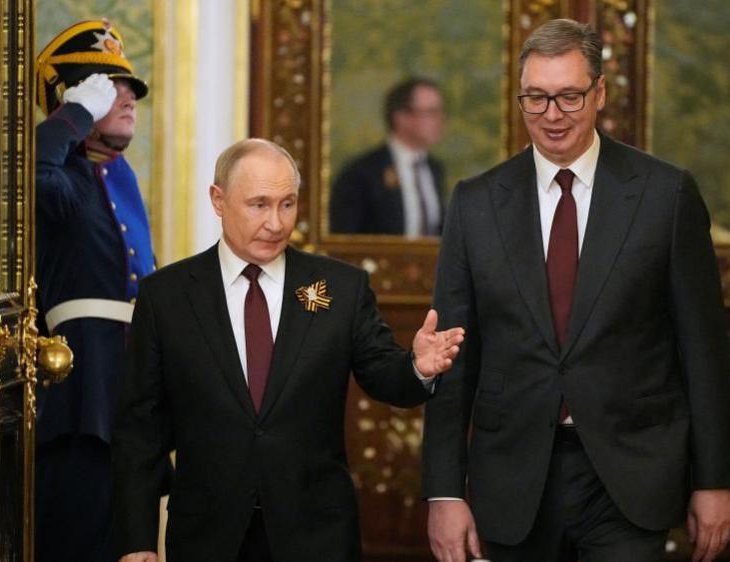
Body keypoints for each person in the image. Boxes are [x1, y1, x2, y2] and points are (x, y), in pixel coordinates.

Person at [422, 18, 730, 562]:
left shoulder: (665, 195)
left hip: (631, 475)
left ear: (600, 93)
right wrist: (445, 490)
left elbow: (703, 349)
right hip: (512, 476)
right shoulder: (475, 204)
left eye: (569, 97)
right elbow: (452, 356)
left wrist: (716, 479)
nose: (552, 115)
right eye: (537, 98)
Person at [112, 139, 465, 562]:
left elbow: (383, 373)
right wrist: (137, 542)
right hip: (208, 535)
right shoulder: (166, 296)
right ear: (218, 200)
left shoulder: (341, 288)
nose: (276, 223)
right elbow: (140, 429)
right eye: (259, 205)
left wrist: (418, 367)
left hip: (316, 534)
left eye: (287, 204)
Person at [33, 19, 152, 562]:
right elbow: (27, 177)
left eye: (129, 87)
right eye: (107, 86)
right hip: (79, 393)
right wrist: (72, 115)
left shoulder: (121, 178)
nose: (126, 96)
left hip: (129, 388)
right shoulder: (66, 178)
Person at [329, 77, 446, 236]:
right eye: (431, 112)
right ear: (401, 117)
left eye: (439, 112)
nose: (440, 121)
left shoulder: (434, 168)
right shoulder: (362, 173)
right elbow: (345, 238)